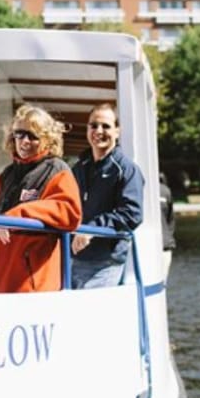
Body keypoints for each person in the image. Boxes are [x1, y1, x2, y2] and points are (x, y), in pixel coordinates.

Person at [0, 104, 81, 293]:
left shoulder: (57, 170)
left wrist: (17, 215)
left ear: (48, 140)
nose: (24, 141)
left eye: (33, 136)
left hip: (31, 288)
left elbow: (70, 212)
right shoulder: (7, 175)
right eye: (19, 134)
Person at [70, 103, 144, 289]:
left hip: (105, 264)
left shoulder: (127, 169)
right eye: (93, 125)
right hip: (74, 259)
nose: (98, 131)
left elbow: (132, 214)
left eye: (106, 126)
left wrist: (92, 229)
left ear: (117, 131)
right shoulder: (79, 168)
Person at [158, 172, 176, 280]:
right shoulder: (165, 190)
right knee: (161, 285)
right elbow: (171, 219)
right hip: (166, 243)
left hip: (162, 244)